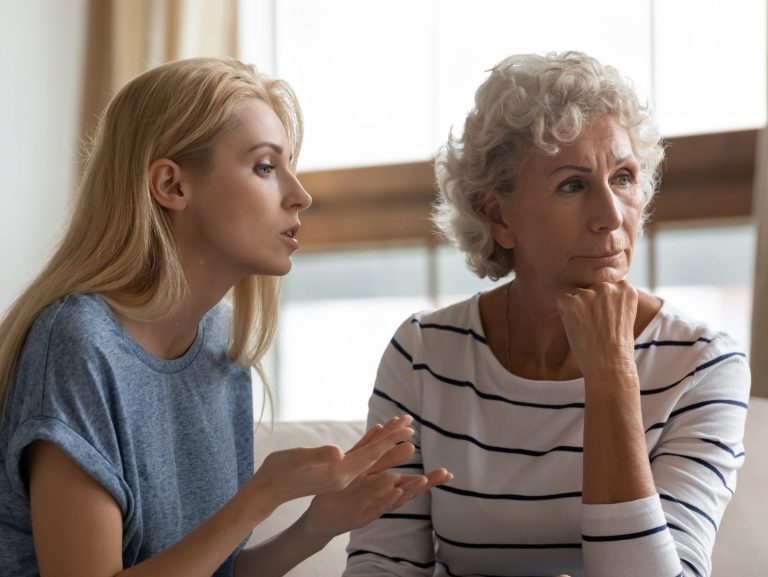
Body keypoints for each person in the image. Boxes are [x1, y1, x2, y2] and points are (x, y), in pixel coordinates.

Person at [0, 57, 452, 577]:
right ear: (171, 186)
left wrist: (317, 527)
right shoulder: (79, 343)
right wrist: (259, 497)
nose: (300, 195)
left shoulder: (219, 346)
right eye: (265, 166)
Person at [344, 51, 750, 577]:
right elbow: (381, 565)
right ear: (499, 217)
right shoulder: (425, 352)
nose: (611, 217)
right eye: (572, 185)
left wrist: (612, 378)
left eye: (624, 178)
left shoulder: (702, 365)